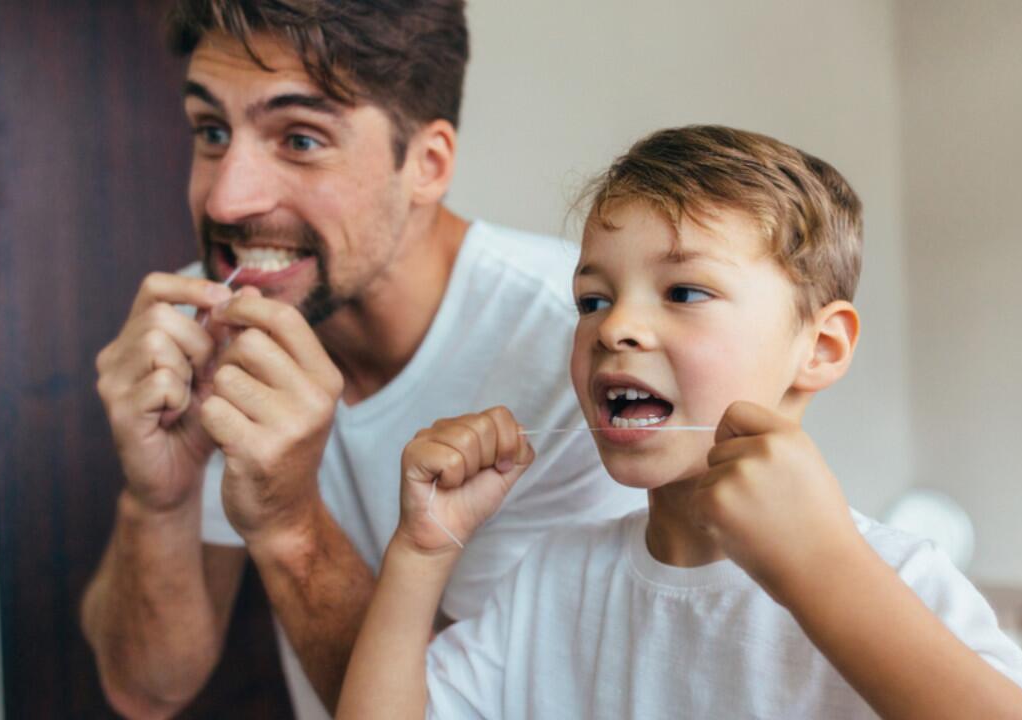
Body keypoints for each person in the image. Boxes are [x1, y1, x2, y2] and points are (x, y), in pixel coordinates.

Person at [336, 125, 1022, 719]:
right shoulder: (551, 580)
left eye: (686, 292)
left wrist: (822, 571)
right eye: (592, 300)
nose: (616, 328)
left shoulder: (895, 577)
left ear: (820, 347)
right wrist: (421, 553)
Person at [78, 2, 644, 717]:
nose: (227, 197)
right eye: (212, 131)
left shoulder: (585, 356)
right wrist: (156, 498)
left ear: (427, 165)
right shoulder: (212, 328)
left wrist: (290, 526)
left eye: (301, 139)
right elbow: (146, 690)